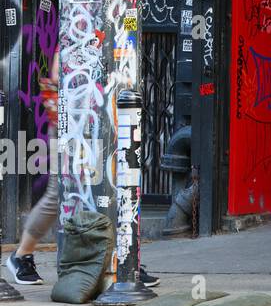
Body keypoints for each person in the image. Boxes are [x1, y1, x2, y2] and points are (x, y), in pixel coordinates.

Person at [4, 47, 160, 290]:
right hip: (72, 121)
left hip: (106, 118)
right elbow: (57, 75)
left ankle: (124, 259)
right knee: (58, 194)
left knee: (114, 188)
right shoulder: (75, 30)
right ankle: (21, 255)